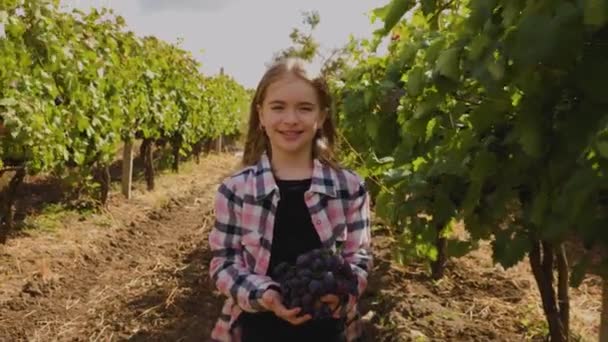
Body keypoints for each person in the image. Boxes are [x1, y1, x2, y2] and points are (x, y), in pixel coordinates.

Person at [208, 57, 372, 342]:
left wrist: (342, 292)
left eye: (305, 108)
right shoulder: (235, 190)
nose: (291, 119)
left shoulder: (350, 188)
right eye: (278, 107)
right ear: (261, 115)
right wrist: (264, 295)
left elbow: (358, 257)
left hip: (329, 330)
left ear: (321, 117)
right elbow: (224, 263)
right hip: (258, 330)